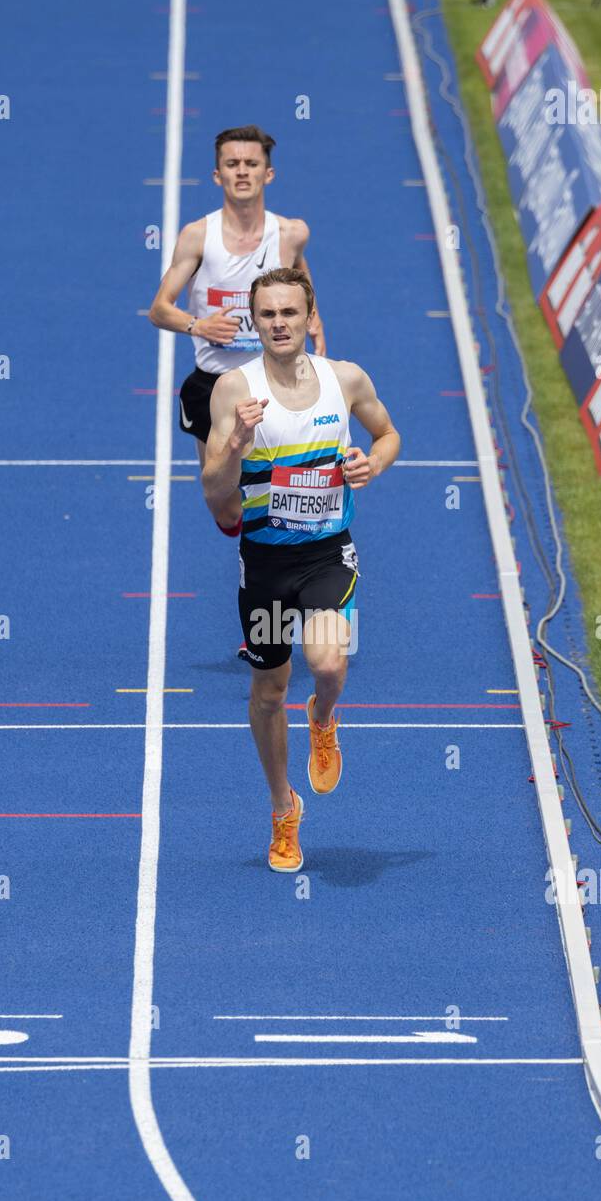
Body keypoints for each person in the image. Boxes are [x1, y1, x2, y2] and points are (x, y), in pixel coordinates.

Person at [202, 268, 400, 872]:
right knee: (267, 692)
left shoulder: (346, 379)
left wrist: (373, 465)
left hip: (325, 553)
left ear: (309, 316)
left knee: (328, 663)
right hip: (264, 562)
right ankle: (282, 810)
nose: (279, 324)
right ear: (254, 321)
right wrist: (235, 442)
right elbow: (213, 491)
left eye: (290, 313)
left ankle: (322, 719)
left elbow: (388, 434)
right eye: (268, 315)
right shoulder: (235, 390)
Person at [148, 124, 326, 536]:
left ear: (268, 174)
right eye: (232, 164)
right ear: (218, 175)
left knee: (291, 502)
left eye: (251, 163)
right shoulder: (197, 237)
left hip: (277, 383)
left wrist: (314, 315)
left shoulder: (291, 233)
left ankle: (287, 559)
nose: (242, 171)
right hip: (214, 387)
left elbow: (301, 279)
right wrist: (199, 324)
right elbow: (158, 310)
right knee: (225, 509)